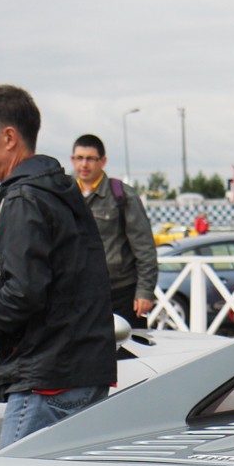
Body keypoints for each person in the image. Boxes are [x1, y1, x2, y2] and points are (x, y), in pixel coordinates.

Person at [0, 85, 117, 449]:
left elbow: (23, 290)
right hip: (81, 371)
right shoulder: (57, 188)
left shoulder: (23, 197)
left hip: (46, 378)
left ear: (9, 137)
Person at [71, 133, 158, 327]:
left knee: (129, 354)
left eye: (90, 159)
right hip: (80, 294)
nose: (84, 164)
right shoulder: (65, 195)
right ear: (72, 160)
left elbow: (145, 248)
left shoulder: (122, 195)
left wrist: (144, 292)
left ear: (103, 161)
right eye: (79, 158)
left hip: (121, 293)